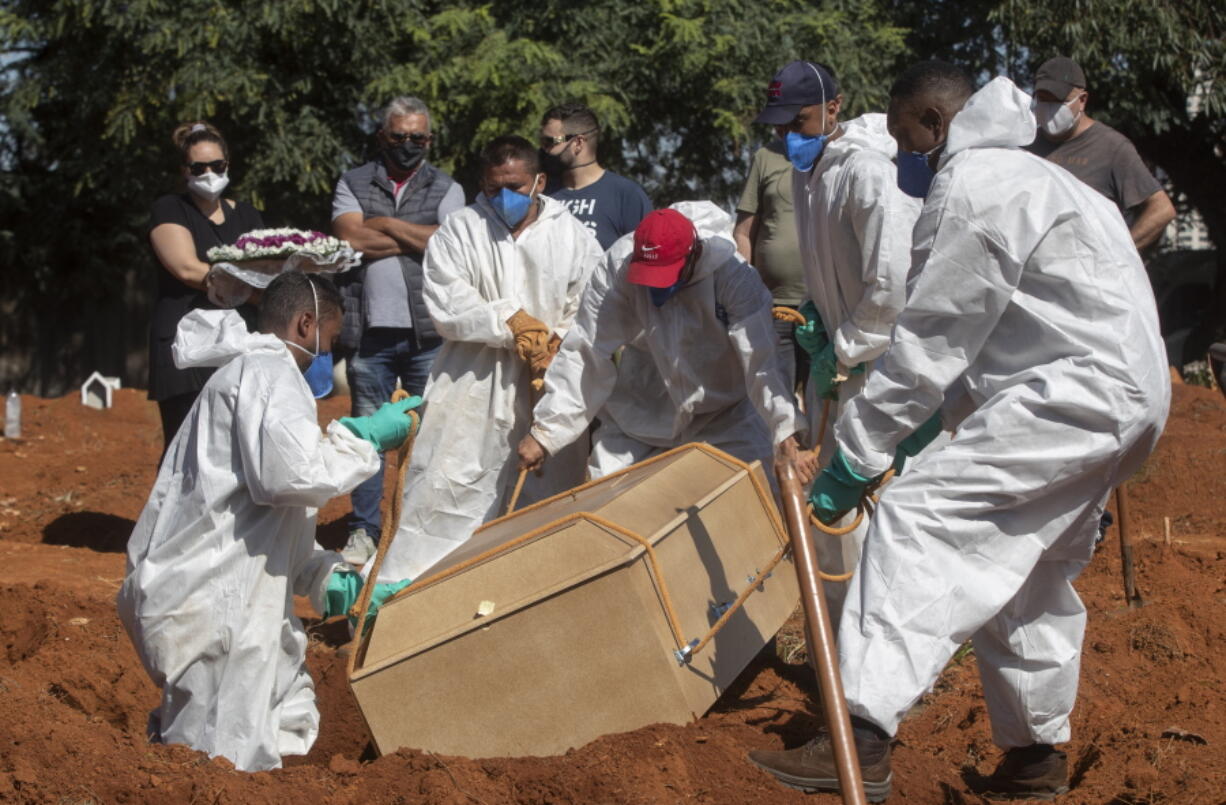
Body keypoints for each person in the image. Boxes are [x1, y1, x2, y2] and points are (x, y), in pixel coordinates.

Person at [748, 64, 1170, 802]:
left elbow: (934, 336)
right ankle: (1034, 760)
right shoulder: (1045, 180)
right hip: (1116, 396)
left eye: (906, 134)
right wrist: (923, 430)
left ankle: (861, 735)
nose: (903, 151)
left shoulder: (974, 185)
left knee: (916, 520)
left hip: (1073, 397)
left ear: (936, 125)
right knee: (1028, 573)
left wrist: (856, 454)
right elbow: (997, 339)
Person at [118, 272, 420, 772]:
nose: (332, 355)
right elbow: (289, 479)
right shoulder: (268, 373)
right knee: (216, 761)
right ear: (307, 324)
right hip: (214, 600)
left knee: (283, 718)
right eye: (333, 340)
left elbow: (278, 523)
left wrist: (339, 583)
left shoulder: (256, 376)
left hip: (233, 596)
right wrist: (365, 438)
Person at [370, 136, 603, 584]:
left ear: (540, 181)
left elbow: (589, 305)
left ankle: (528, 600)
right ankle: (415, 596)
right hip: (470, 385)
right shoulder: (461, 230)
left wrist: (554, 343)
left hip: (546, 385)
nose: (504, 198)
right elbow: (447, 303)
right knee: (445, 490)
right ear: (482, 183)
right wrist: (512, 322)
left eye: (515, 186)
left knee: (546, 494)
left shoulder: (573, 235)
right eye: (494, 188)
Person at [754, 60, 923, 624]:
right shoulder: (811, 172)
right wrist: (820, 318)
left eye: (800, 121)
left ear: (834, 107)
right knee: (841, 516)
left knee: (884, 507)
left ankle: (883, 645)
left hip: (883, 364)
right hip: (847, 359)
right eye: (780, 127)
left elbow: (891, 285)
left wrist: (842, 348)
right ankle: (843, 645)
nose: (789, 137)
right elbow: (838, 270)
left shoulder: (867, 173)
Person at [516, 202, 816, 489]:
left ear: (694, 254)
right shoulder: (616, 268)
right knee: (607, 505)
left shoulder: (732, 276)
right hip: (642, 411)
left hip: (725, 415)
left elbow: (761, 359)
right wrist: (546, 431)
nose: (657, 287)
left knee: (755, 500)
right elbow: (587, 351)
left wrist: (785, 429)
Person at [329, 97, 466, 565]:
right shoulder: (353, 181)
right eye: (399, 137)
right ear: (382, 136)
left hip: (428, 335)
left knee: (429, 434)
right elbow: (348, 237)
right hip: (368, 335)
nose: (408, 145)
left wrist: (382, 223)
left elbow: (447, 242)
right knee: (367, 437)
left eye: (418, 138)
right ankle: (364, 529)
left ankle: (416, 528)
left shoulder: (447, 186)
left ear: (429, 140)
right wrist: (415, 235)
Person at [148, 121, 264, 457]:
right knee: (185, 448)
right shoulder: (169, 208)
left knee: (238, 448)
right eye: (199, 167)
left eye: (217, 165)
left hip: (241, 341)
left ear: (228, 164)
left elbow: (267, 269)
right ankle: (174, 511)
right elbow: (186, 268)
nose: (209, 173)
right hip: (186, 345)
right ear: (184, 170)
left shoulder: (248, 215)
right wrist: (250, 291)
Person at [1026, 56, 1175, 251]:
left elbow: (1162, 210)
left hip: (1086, 276)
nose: (1049, 108)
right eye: (1043, 99)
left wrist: (1118, 255)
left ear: (1082, 101)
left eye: (1058, 101)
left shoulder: (1112, 147)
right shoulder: (1026, 142)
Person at [733, 133, 810, 392]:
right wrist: (747, 294)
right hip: (774, 305)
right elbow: (743, 233)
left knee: (822, 400)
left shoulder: (837, 156)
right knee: (776, 397)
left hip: (822, 307)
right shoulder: (766, 157)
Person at [539, 103, 653, 250]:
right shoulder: (542, 194)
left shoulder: (626, 195)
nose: (543, 149)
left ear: (578, 143)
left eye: (550, 142)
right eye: (542, 142)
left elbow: (648, 256)